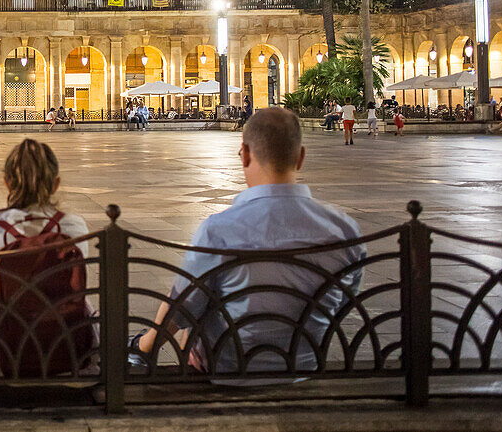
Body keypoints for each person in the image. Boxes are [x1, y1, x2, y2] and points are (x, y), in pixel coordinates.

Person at [128, 107, 365, 377]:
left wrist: (142, 347)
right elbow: (342, 303)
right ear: (300, 158)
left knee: (196, 318)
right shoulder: (345, 230)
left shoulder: (219, 230)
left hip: (228, 371)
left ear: (246, 155)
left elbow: (181, 308)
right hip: (304, 368)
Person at [0, 139, 95, 377]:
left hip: (10, 353)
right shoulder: (75, 227)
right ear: (55, 184)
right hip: (69, 348)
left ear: (7, 183)